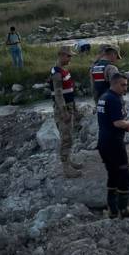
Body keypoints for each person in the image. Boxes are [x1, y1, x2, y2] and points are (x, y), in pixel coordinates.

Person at [97, 73, 129, 218]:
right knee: (123, 175)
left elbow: (111, 122)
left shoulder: (104, 97)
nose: (125, 88)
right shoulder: (114, 99)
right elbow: (117, 122)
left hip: (104, 142)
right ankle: (123, 210)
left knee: (112, 173)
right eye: (123, 85)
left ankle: (112, 210)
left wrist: (125, 126)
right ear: (114, 84)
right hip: (114, 144)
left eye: (126, 85)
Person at [51, 46, 83, 178]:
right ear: (61, 55)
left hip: (69, 105)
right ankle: (66, 168)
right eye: (69, 56)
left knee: (69, 135)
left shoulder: (63, 70)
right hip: (62, 108)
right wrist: (64, 111)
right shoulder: (57, 72)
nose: (70, 58)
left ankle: (69, 160)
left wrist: (74, 109)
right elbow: (58, 94)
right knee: (65, 138)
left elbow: (68, 91)